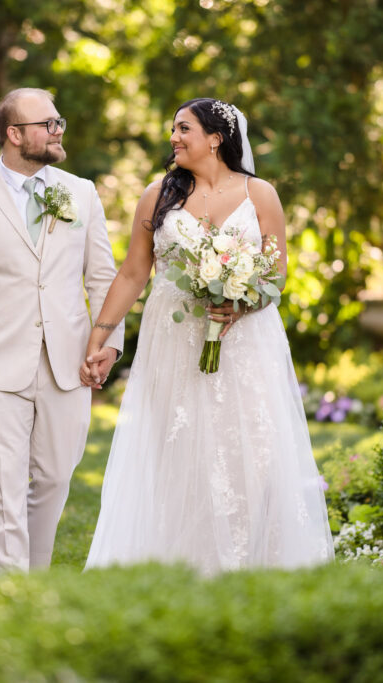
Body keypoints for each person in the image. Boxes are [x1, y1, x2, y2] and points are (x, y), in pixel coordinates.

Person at [81, 98, 334, 573]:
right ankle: (179, 567)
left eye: (184, 129)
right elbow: (135, 274)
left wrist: (242, 300)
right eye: (173, 130)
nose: (173, 138)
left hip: (245, 344)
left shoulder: (261, 195)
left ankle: (245, 566)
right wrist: (101, 338)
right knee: (177, 455)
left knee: (248, 454)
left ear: (216, 138)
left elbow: (276, 277)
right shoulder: (158, 195)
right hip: (173, 343)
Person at [0, 87, 123, 574]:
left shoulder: (80, 192)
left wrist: (109, 345)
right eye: (48, 124)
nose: (59, 131)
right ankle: (12, 595)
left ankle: (32, 585)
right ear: (14, 134)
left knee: (56, 478)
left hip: (68, 364)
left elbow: (102, 276)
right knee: (2, 486)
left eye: (59, 122)